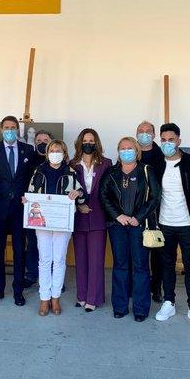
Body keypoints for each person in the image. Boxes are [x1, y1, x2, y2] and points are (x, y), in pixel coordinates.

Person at [100, 137, 161, 321]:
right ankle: (120, 306)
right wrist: (118, 216)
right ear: (118, 151)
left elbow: (155, 197)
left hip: (139, 226)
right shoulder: (111, 172)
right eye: (122, 148)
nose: (126, 151)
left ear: (136, 150)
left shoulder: (146, 170)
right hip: (117, 225)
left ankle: (141, 309)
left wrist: (138, 217)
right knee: (120, 265)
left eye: (130, 148)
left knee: (141, 266)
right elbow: (103, 196)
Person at [153, 123, 190, 327]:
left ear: (179, 141)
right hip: (164, 224)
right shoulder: (156, 164)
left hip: (188, 224)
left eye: (171, 139)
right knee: (166, 264)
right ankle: (169, 302)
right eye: (164, 140)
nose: (167, 143)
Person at [25, 140, 84, 316]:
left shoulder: (71, 172)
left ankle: (55, 297)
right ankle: (44, 298)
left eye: (59, 150)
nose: (55, 152)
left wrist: (77, 193)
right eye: (52, 149)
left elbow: (82, 196)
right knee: (44, 259)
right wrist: (27, 201)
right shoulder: (38, 171)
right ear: (47, 152)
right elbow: (30, 192)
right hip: (41, 222)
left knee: (58, 259)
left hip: (62, 223)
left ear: (64, 153)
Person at [0, 115, 37, 306]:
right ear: (1, 129)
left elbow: (33, 178)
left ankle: (18, 291)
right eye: (6, 127)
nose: (10, 130)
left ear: (18, 130)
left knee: (19, 251)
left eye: (13, 127)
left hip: (20, 209)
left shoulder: (28, 150)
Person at [71, 128, 112, 312]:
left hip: (98, 217)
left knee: (96, 260)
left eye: (91, 140)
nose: (88, 143)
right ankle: (81, 296)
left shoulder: (106, 163)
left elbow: (110, 191)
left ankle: (93, 298)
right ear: (80, 143)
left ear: (96, 143)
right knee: (80, 259)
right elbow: (67, 190)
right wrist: (77, 205)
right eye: (85, 140)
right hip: (78, 217)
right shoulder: (71, 164)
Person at [136, 120, 165, 302]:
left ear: (154, 135)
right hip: (134, 211)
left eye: (148, 131)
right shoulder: (131, 153)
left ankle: (156, 288)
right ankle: (138, 287)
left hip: (157, 210)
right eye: (141, 131)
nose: (144, 134)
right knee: (137, 253)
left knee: (157, 252)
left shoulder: (162, 155)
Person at [25, 129, 54, 287]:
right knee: (32, 243)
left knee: (52, 245)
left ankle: (53, 276)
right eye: (39, 141)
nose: (43, 143)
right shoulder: (29, 161)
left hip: (54, 211)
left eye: (46, 140)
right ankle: (31, 275)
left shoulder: (61, 161)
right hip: (34, 210)